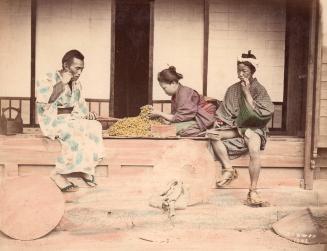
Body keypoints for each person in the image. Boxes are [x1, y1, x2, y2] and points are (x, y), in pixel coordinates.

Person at [207, 51, 274, 206]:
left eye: (244, 71)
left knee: (254, 150)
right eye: (239, 71)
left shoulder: (259, 89)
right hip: (237, 128)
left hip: (254, 128)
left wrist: (246, 91)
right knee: (213, 135)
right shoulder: (232, 89)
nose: (240, 74)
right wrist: (219, 121)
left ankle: (253, 190)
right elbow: (225, 112)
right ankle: (229, 169)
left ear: (252, 71)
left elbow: (260, 112)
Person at [36, 49, 104, 192]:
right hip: (52, 119)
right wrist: (62, 83)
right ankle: (57, 173)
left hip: (71, 119)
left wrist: (88, 115)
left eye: (82, 69)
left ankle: (86, 168)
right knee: (76, 129)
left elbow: (80, 107)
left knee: (95, 126)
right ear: (66, 66)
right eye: (77, 68)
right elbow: (45, 101)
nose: (79, 72)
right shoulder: (48, 78)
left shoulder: (77, 84)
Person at [150, 66, 217, 137]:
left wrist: (159, 113)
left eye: (164, 88)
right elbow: (178, 114)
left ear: (173, 83)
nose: (164, 91)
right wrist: (165, 117)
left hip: (204, 118)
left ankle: (207, 131)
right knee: (168, 127)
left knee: (174, 129)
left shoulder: (184, 93)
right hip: (193, 118)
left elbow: (182, 116)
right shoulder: (176, 94)